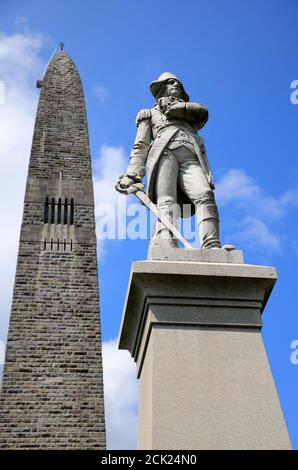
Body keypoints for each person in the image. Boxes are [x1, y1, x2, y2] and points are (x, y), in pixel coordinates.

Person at [116, 72, 222, 250]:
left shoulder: (189, 114)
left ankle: (211, 244)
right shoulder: (148, 114)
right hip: (163, 153)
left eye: (178, 84)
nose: (176, 86)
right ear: (162, 87)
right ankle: (166, 243)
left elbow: (203, 111)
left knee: (205, 194)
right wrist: (132, 175)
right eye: (171, 83)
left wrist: (175, 108)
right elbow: (140, 145)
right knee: (166, 201)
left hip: (191, 156)